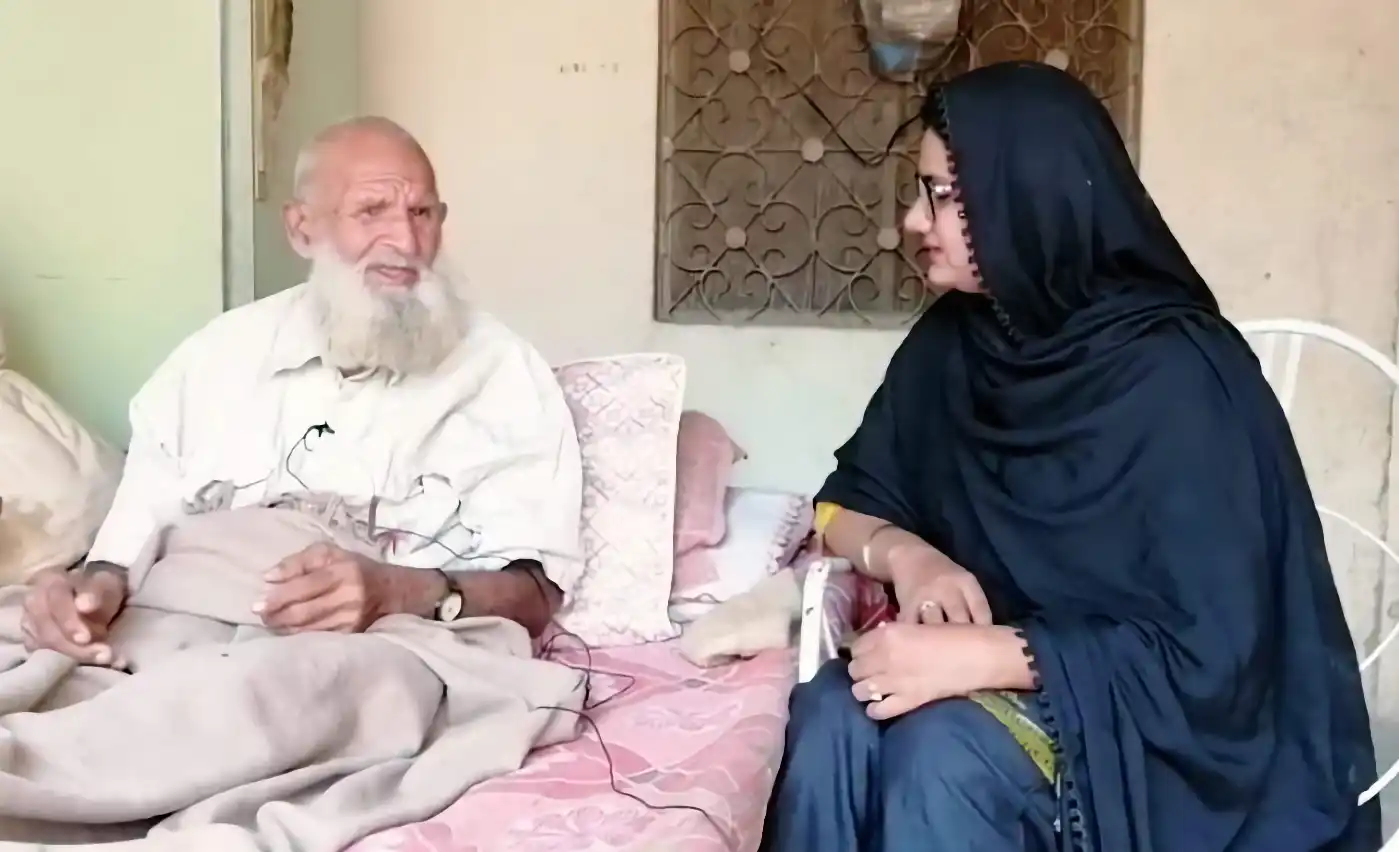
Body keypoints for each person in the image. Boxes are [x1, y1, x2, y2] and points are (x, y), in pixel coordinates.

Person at [760, 62, 1378, 851]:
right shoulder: (954, 345)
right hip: (993, 682)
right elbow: (839, 506)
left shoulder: (1181, 377)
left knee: (941, 756)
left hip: (1167, 737)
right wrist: (909, 558)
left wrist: (987, 656)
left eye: (941, 195)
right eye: (920, 191)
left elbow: (1217, 652)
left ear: (1025, 199)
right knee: (828, 719)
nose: (914, 221)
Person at [17, 116, 582, 667]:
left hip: (366, 650)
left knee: (252, 700)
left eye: (422, 213)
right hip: (174, 619)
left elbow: (536, 593)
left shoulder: (497, 370)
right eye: (372, 211)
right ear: (301, 229)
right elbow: (119, 555)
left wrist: (398, 591)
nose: (406, 240)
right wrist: (85, 600)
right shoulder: (216, 357)